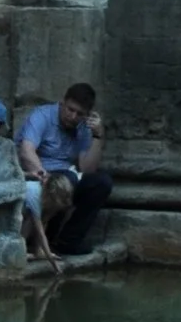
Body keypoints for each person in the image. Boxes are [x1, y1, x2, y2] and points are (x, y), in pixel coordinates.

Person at [17, 83, 112, 261]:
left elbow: (87, 169)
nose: (73, 116)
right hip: (39, 173)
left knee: (101, 182)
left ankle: (69, 241)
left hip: (68, 176)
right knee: (63, 183)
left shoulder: (83, 127)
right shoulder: (42, 116)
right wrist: (44, 176)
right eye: (70, 110)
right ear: (62, 103)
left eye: (79, 114)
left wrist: (98, 136)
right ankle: (39, 242)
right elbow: (26, 151)